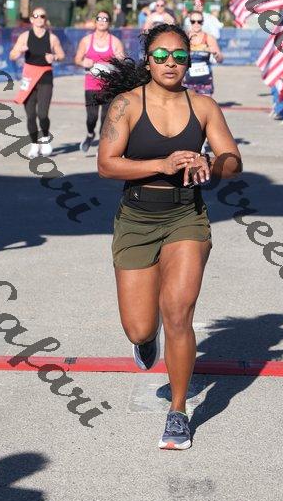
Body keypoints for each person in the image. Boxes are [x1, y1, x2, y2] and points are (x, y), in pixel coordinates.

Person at [97, 23, 241, 449]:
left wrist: (210, 163)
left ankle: (178, 412)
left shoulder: (204, 106)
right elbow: (107, 164)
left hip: (186, 217)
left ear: (189, 61)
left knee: (178, 313)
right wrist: (162, 164)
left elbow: (232, 160)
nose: (170, 63)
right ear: (148, 61)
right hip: (136, 219)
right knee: (139, 328)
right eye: (161, 56)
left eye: (179, 56)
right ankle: (146, 340)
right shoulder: (126, 105)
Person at [10, 7, 65, 158]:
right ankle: (34, 144)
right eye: (36, 16)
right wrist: (19, 51)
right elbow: (12, 55)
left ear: (45, 19)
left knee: (42, 113)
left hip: (45, 76)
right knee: (30, 115)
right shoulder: (25, 36)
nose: (39, 18)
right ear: (31, 19)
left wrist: (54, 57)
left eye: (42, 16)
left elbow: (62, 55)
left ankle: (45, 139)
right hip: (29, 76)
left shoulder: (52, 38)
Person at [74, 10, 125, 153]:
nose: (102, 21)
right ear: (95, 21)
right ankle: (90, 134)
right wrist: (83, 62)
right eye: (99, 18)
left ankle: (102, 146)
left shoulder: (115, 42)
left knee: (105, 118)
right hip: (91, 84)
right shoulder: (86, 41)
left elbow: (122, 61)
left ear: (109, 23)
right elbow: (77, 59)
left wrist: (119, 61)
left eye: (105, 19)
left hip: (109, 85)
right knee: (92, 117)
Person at [183, 11, 223, 96]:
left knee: (205, 104)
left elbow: (220, 59)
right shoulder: (183, 37)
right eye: (193, 21)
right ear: (190, 22)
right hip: (187, 82)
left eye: (199, 21)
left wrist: (216, 54)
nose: (196, 24)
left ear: (203, 22)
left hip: (205, 82)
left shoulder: (209, 38)